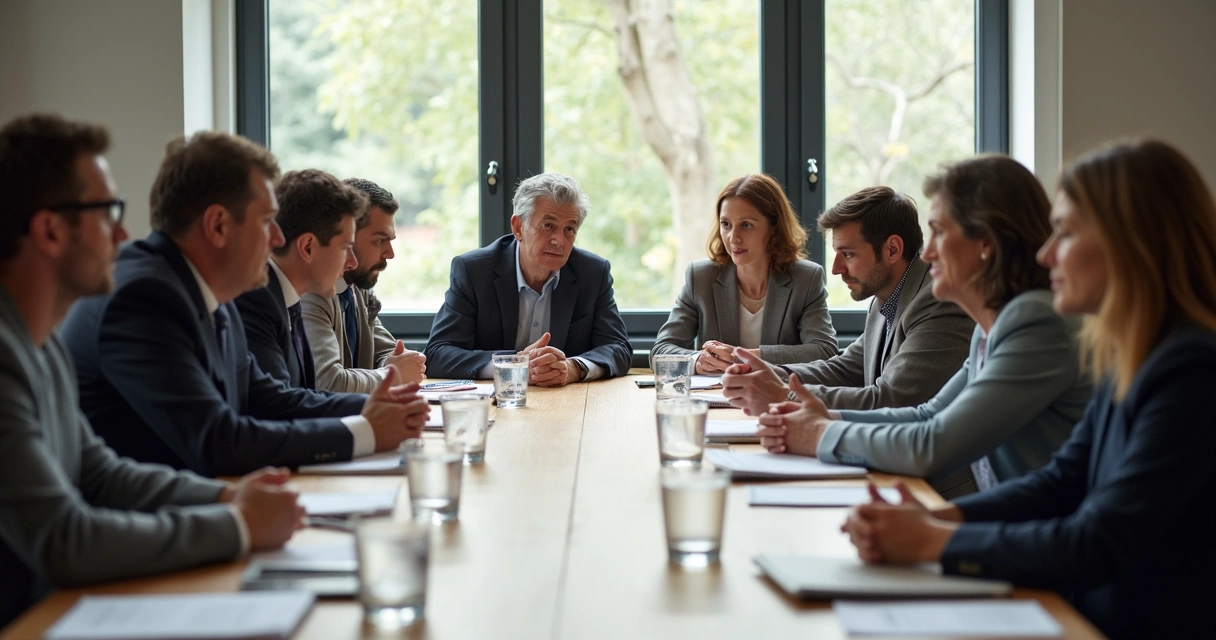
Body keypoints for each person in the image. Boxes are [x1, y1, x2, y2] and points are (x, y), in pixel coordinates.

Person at [840, 140, 1216, 639]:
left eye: (1067, 232)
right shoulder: (1132, 353)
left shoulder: (1191, 371)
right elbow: (1060, 481)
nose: (1046, 252)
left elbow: (1097, 541)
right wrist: (937, 516)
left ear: (1131, 242)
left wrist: (936, 540)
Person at [0, 113, 303, 627]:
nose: (122, 231)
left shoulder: (40, 343)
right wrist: (238, 526)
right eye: (106, 212)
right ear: (51, 230)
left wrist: (230, 495)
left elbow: (102, 474)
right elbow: (63, 539)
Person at [60, 131, 429, 477]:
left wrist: (378, 408)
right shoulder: (144, 298)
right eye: (267, 221)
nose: (277, 238)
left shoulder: (208, 290)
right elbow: (217, 439)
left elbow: (267, 398)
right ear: (218, 225)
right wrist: (365, 432)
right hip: (140, 520)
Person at [756, 156, 1092, 497]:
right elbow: (925, 415)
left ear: (987, 243)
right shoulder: (990, 326)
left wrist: (817, 432)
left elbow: (932, 440)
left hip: (1026, 533)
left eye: (940, 232)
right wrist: (827, 419)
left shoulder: (1034, 321)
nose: (928, 252)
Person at [721, 186, 974, 412]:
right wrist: (773, 374)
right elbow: (845, 369)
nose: (836, 268)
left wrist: (783, 394)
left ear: (893, 250)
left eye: (848, 254)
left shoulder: (938, 301)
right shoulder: (884, 300)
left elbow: (891, 399)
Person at [424, 173, 632, 384]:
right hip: (499, 402)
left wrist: (573, 368)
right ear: (518, 227)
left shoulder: (592, 273)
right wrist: (515, 363)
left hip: (567, 401)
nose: (559, 241)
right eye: (548, 226)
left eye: (569, 228)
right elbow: (438, 354)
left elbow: (619, 348)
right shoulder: (474, 271)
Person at [650, 174, 836, 370]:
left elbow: (824, 350)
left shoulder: (806, 279)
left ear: (774, 228)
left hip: (777, 397)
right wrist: (698, 360)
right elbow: (661, 351)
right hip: (715, 397)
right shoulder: (701, 277)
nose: (733, 238)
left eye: (746, 225)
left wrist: (743, 357)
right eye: (726, 225)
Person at [235, 169, 366, 389]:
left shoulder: (286, 299)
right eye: (346, 248)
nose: (352, 263)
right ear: (308, 247)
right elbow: (276, 406)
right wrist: (366, 417)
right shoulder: (257, 303)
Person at [301, 178, 426, 393]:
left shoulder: (357, 286)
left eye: (391, 240)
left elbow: (385, 352)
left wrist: (403, 362)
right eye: (379, 240)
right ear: (347, 234)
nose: (390, 253)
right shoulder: (311, 291)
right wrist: (393, 375)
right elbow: (327, 383)